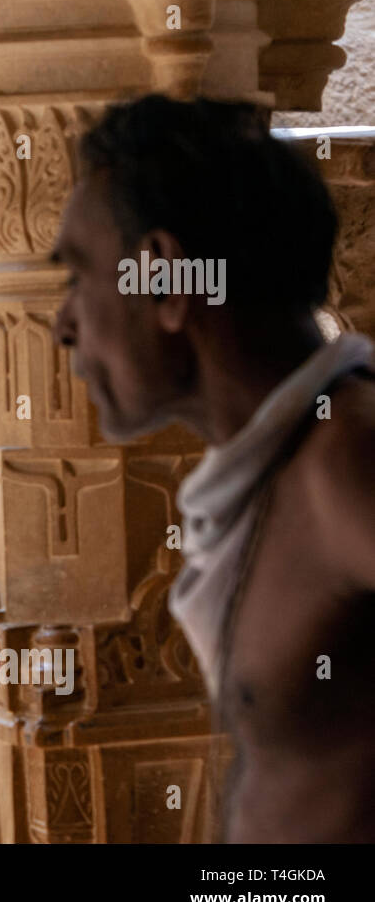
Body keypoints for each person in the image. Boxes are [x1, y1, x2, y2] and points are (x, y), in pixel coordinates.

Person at [51, 95, 375, 842]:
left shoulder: (348, 460)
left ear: (162, 280)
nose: (65, 321)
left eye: (79, 275)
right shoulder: (290, 464)